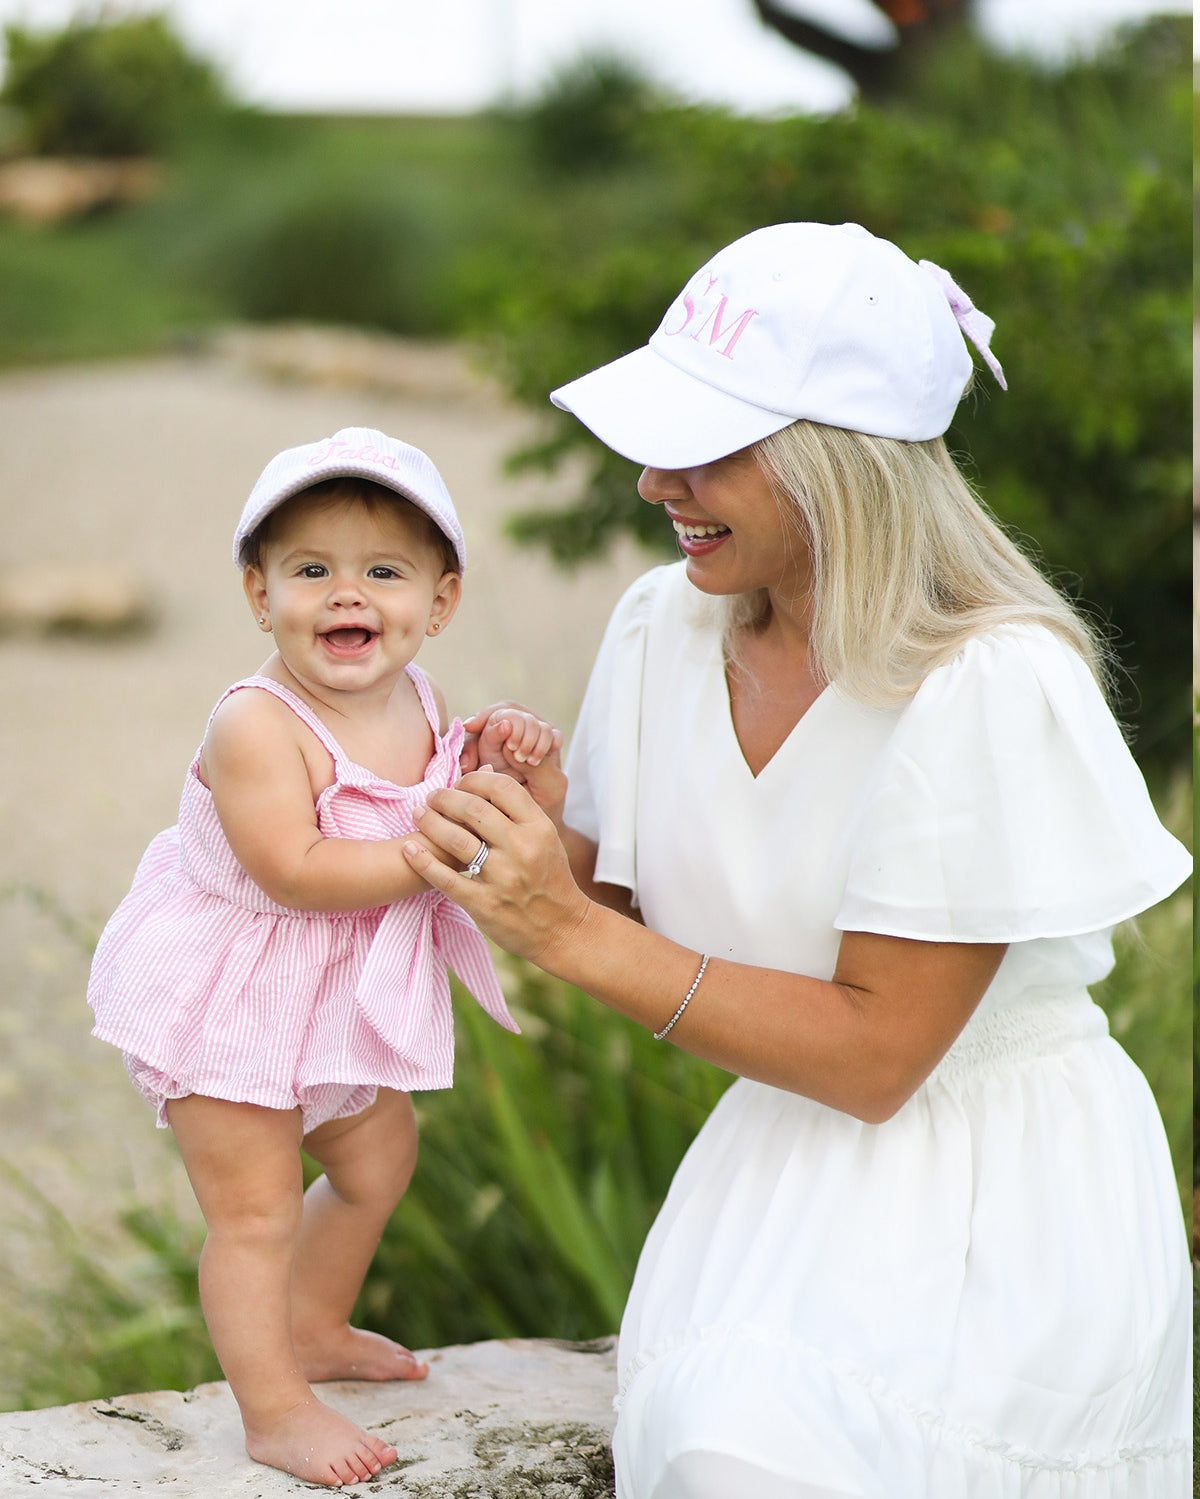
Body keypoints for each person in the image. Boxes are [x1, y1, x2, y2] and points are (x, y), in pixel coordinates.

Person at [405, 225, 1192, 1498]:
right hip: (782, 1163)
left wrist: (561, 925)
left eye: (708, 447)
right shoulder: (663, 622)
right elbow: (611, 896)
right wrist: (531, 830)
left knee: (764, 1452)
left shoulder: (985, 680)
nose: (658, 479)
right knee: (733, 1447)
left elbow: (880, 1058)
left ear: (844, 464)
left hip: (1002, 1197)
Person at [87, 427, 560, 1489]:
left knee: (378, 1157)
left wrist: (500, 749)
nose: (348, 594)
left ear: (439, 602)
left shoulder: (424, 697)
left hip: (332, 996)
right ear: (260, 594)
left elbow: (450, 779)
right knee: (252, 1210)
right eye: (312, 570)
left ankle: (313, 1323)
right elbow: (295, 867)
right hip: (230, 993)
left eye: (383, 571)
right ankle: (272, 1407)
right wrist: (431, 853)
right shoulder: (258, 723)